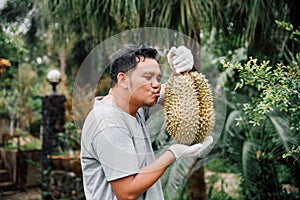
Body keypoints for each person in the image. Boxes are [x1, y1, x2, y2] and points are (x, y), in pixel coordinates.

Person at [80, 44, 213, 200]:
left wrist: (180, 69)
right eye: (147, 77)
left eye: (157, 78)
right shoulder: (108, 122)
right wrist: (173, 153)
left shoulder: (135, 108)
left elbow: (172, 94)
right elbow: (127, 192)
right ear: (123, 80)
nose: (156, 84)